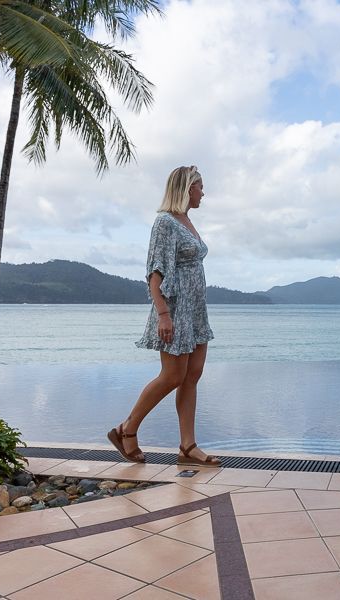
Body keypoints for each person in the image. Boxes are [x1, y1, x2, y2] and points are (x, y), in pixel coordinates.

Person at [108, 165, 219, 467]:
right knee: (172, 376)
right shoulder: (165, 223)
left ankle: (188, 445)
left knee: (192, 376)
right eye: (199, 186)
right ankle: (126, 429)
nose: (203, 193)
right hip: (174, 308)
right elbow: (155, 271)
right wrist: (163, 314)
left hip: (195, 311)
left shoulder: (187, 221)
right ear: (186, 188)